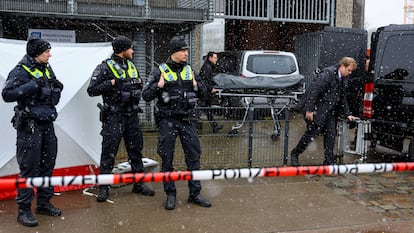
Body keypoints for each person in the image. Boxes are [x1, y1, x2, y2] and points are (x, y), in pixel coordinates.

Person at [142, 36, 212, 210]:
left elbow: (205, 95)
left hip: (188, 120)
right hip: (168, 120)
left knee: (194, 158)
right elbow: (146, 95)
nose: (186, 53)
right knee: (167, 159)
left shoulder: (191, 71)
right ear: (174, 52)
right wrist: (158, 86)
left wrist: (197, 85)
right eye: (183, 50)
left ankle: (195, 194)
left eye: (187, 50)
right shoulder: (160, 71)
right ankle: (170, 194)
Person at [2, 36, 64, 227]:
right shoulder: (21, 70)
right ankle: (24, 210)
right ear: (37, 53)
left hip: (47, 123)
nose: (50, 54)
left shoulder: (46, 67)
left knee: (47, 165)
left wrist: (57, 86)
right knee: (29, 169)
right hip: (30, 126)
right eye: (46, 52)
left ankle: (44, 203)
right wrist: (32, 86)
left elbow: (50, 87)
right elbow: (7, 95)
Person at [87, 35, 154, 202]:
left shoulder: (131, 65)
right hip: (114, 117)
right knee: (109, 154)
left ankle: (139, 184)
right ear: (123, 50)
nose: (132, 50)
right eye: (130, 48)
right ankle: (104, 188)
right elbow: (92, 90)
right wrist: (110, 83)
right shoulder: (105, 67)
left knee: (135, 152)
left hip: (132, 117)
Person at [291, 57, 358, 166]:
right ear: (342, 66)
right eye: (349, 70)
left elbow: (342, 97)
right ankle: (295, 153)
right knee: (311, 134)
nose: (349, 73)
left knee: (330, 136)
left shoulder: (343, 78)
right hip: (319, 109)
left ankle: (328, 161)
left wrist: (348, 114)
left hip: (330, 111)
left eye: (351, 71)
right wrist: (310, 109)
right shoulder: (328, 74)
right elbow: (314, 91)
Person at [199, 51, 223, 133]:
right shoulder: (207, 67)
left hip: (205, 92)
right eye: (215, 58)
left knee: (207, 110)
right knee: (201, 109)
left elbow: (208, 79)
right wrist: (210, 88)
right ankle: (195, 127)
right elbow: (204, 80)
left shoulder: (209, 66)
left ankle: (214, 126)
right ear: (210, 58)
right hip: (204, 92)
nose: (216, 59)